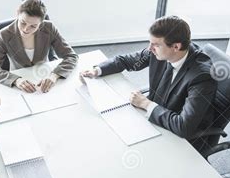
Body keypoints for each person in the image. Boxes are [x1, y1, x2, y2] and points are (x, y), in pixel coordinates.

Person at [81, 15, 217, 153]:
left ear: (176, 46)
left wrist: (146, 104)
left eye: (155, 45)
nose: (149, 48)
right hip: (156, 118)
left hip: (180, 138)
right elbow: (126, 61)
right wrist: (96, 70)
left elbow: (184, 127)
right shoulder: (161, 52)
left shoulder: (202, 77)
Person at [0, 0, 78, 93]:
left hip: (45, 75)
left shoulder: (49, 28)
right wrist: (16, 80)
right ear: (17, 14)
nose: (25, 29)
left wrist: (54, 75)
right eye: (23, 23)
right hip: (19, 83)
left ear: (40, 23)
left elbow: (71, 56)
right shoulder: (4, 35)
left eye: (33, 26)